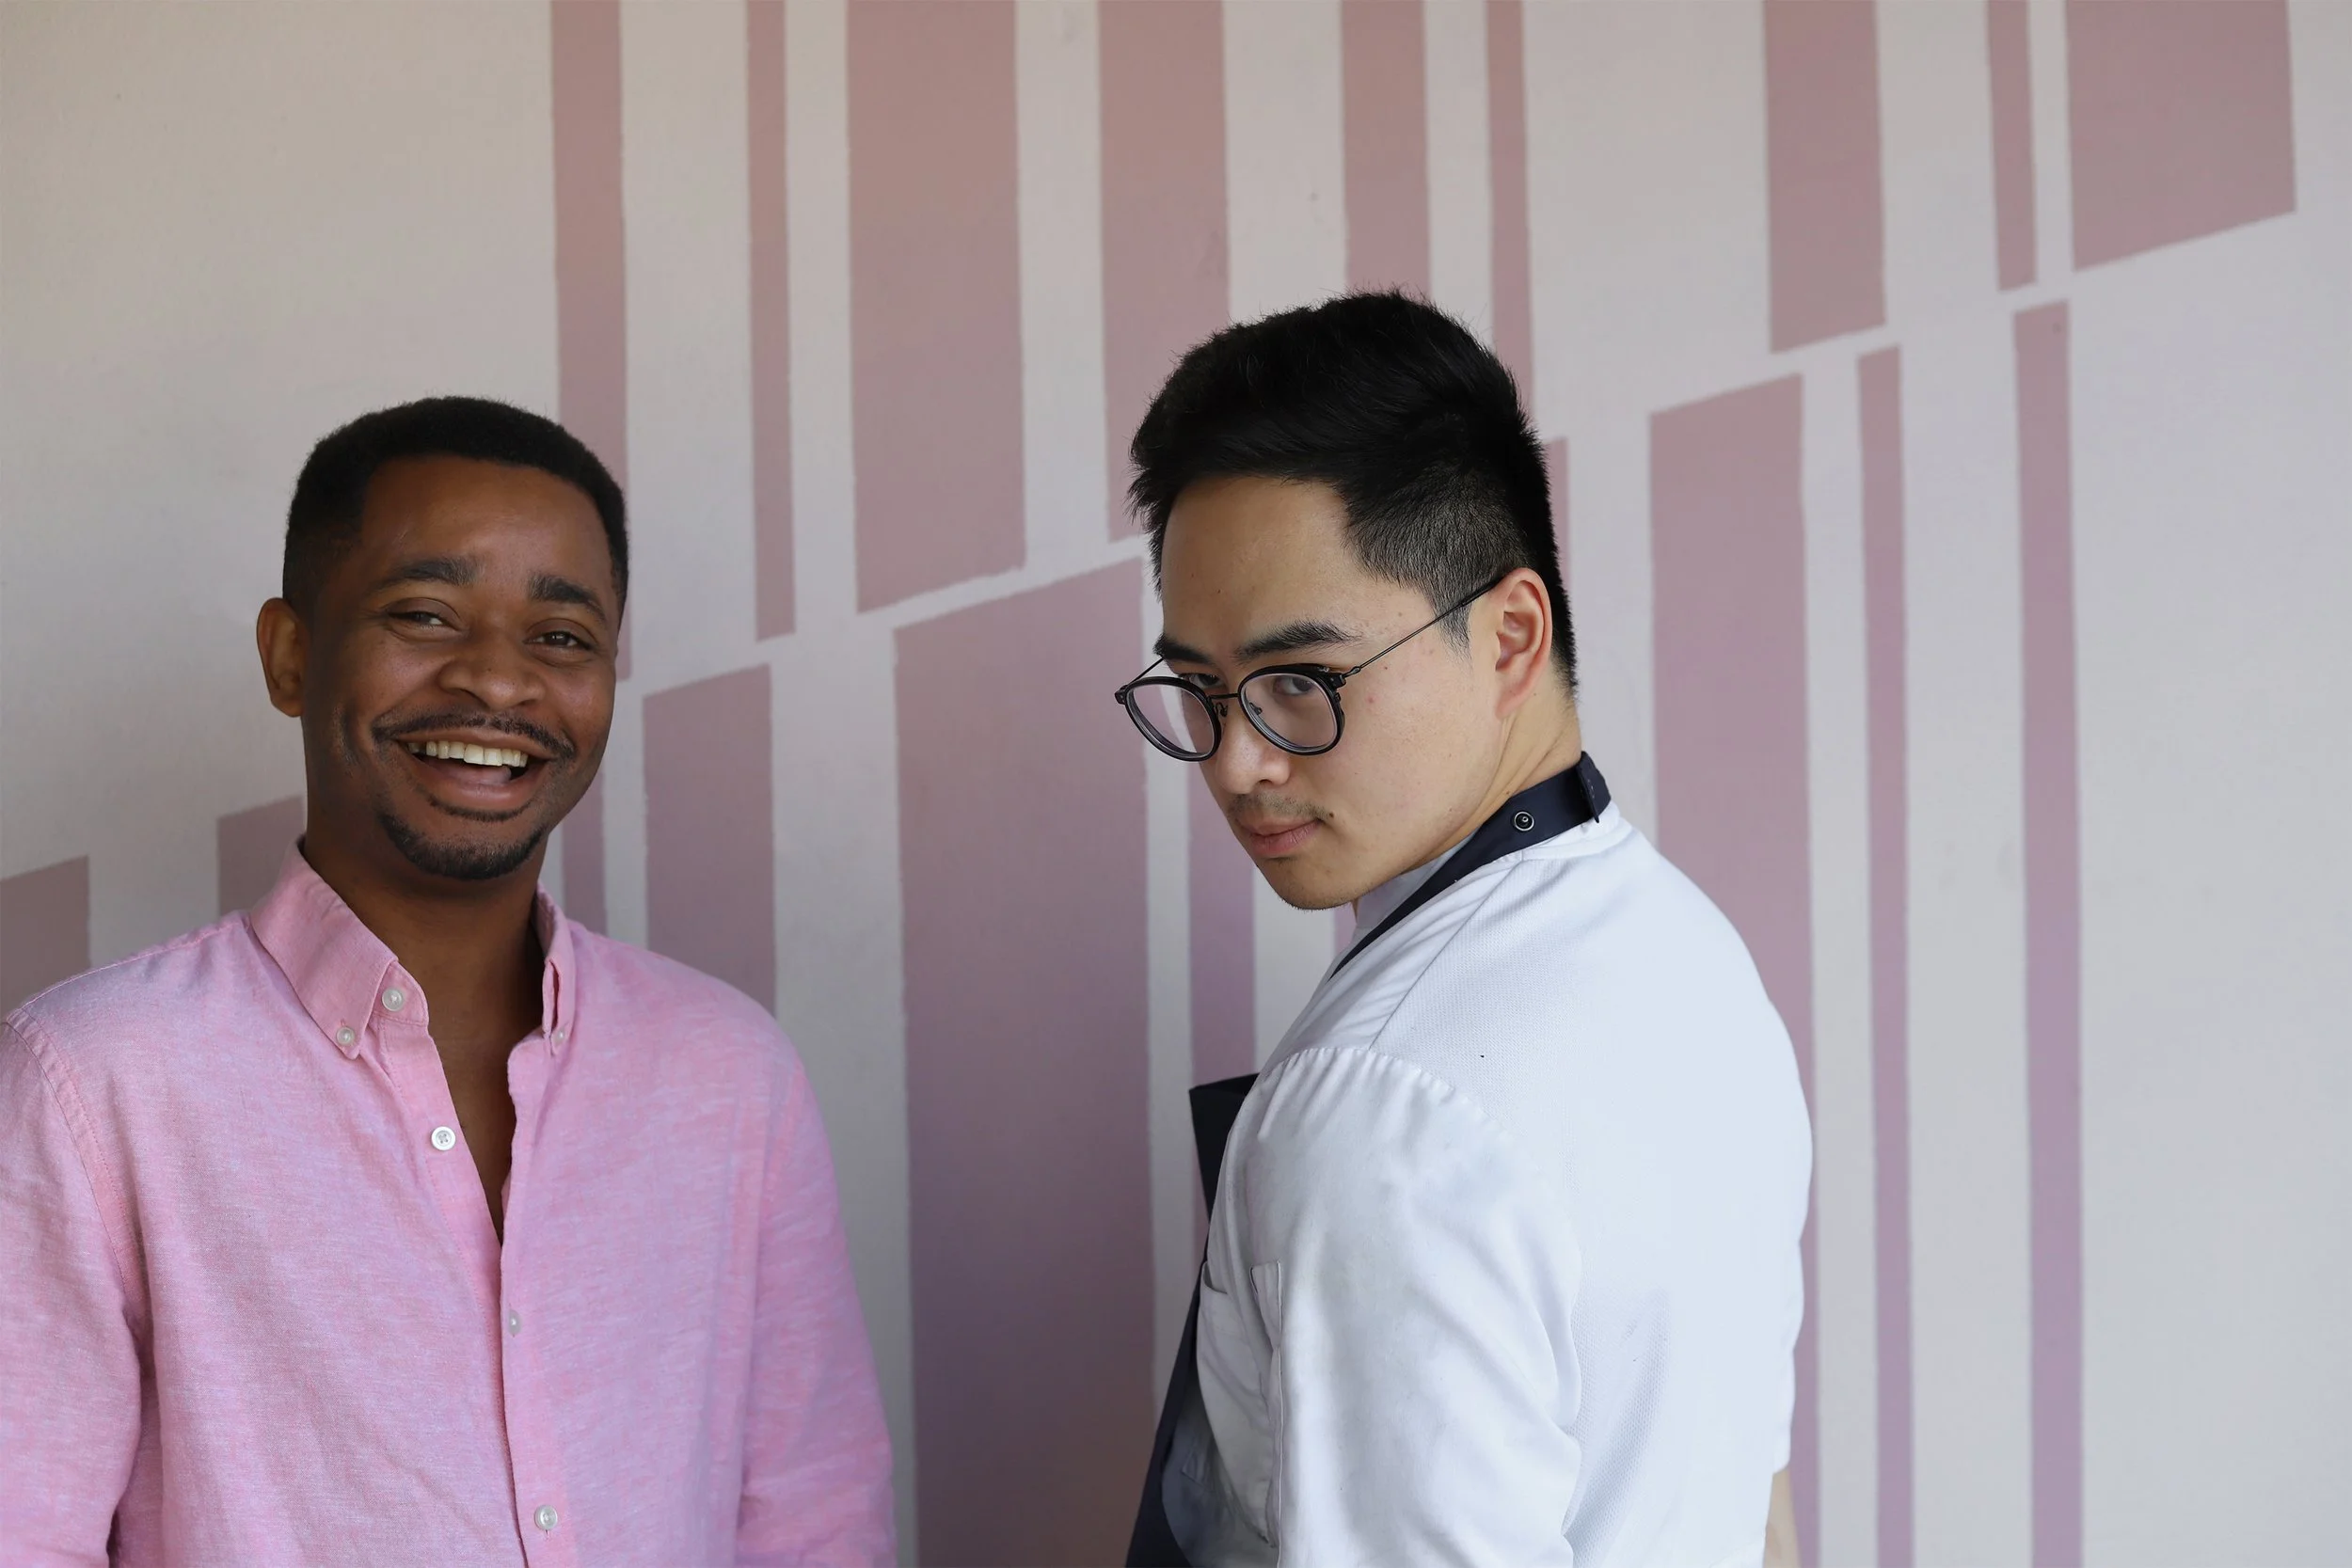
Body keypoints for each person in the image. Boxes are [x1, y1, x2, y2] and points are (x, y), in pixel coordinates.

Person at [0, 398, 894, 1564]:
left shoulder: (729, 1074)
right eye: (425, 614)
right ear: (290, 653)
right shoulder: (97, 1080)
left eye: (561, 635)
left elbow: (815, 1526)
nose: (498, 682)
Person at [1116, 295, 1811, 1567]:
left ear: (1509, 639)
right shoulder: (1694, 954)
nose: (1235, 761)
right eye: (1202, 690)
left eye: (1299, 682)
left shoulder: (1382, 1110)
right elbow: (1757, 1512)